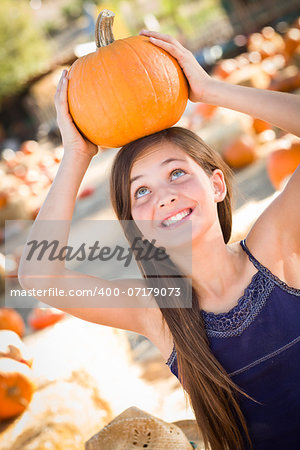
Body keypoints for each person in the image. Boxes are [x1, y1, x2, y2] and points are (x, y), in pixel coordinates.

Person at [18, 30, 300, 450]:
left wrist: (208, 89)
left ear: (217, 184)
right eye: (142, 192)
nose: (165, 195)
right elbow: (39, 276)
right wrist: (76, 154)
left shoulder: (273, 249)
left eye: (177, 173)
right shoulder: (157, 312)